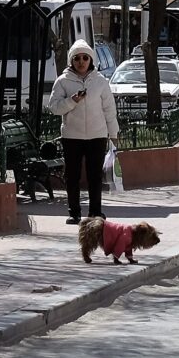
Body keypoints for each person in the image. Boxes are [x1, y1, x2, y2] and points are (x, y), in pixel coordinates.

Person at [46, 40, 119, 225]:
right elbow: (54, 107)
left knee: (95, 175)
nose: (81, 61)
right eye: (77, 58)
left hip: (97, 135)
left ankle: (95, 212)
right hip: (72, 136)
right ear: (71, 60)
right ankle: (74, 212)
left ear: (91, 59)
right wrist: (72, 101)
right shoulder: (63, 81)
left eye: (85, 57)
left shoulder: (100, 81)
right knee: (73, 175)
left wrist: (114, 133)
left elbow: (109, 109)